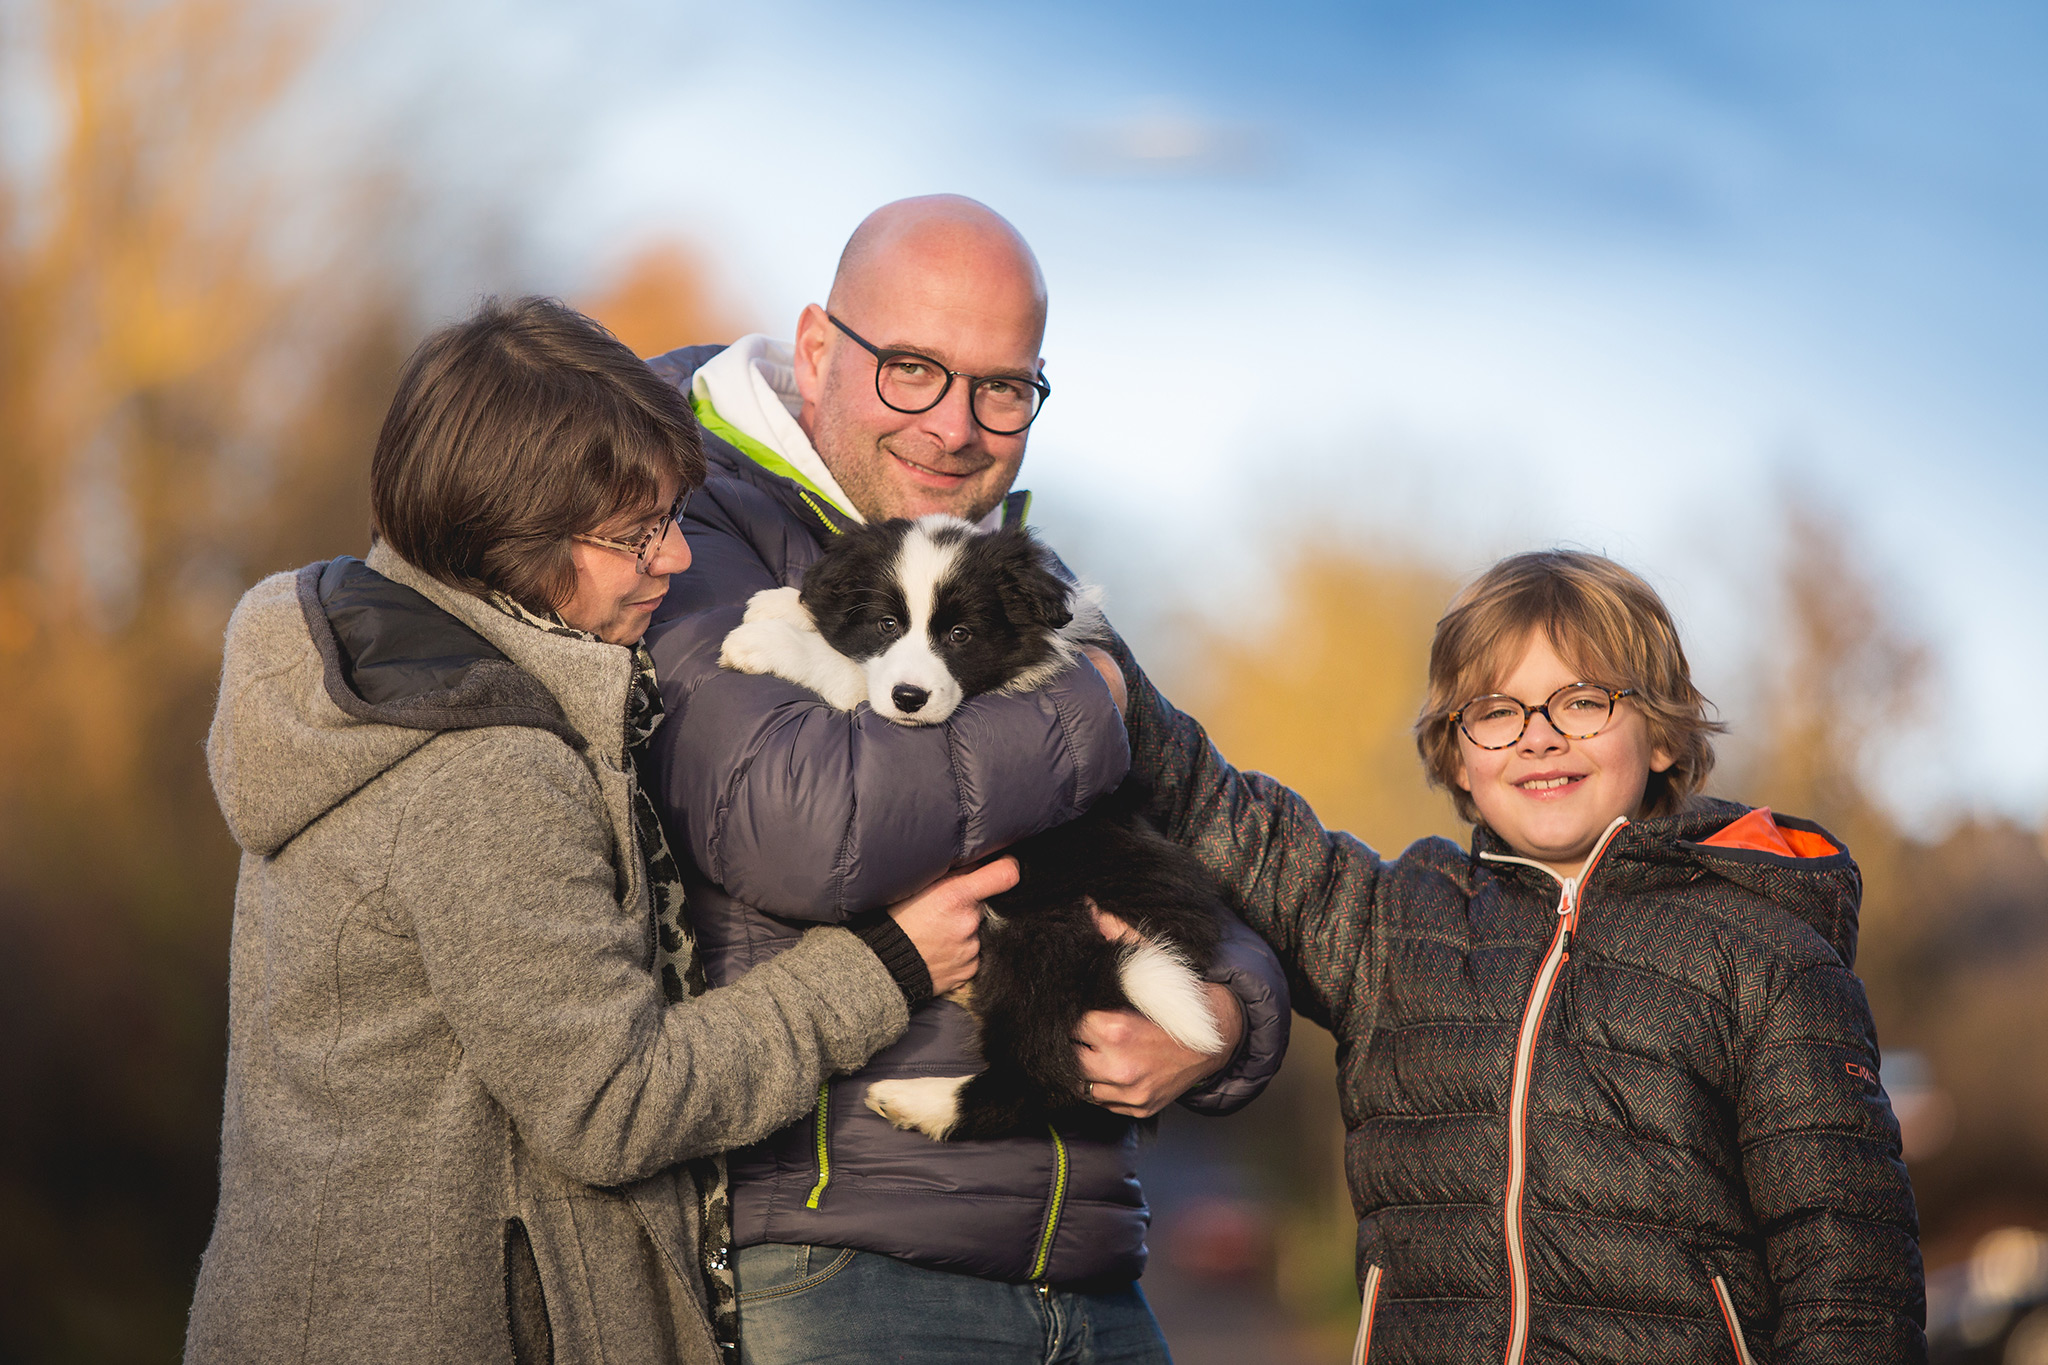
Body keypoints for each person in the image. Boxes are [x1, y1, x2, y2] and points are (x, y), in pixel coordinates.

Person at [184, 296, 1015, 1365]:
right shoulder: (481, 765)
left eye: (672, 518)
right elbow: (616, 1104)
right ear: (509, 537)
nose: (674, 562)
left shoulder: (385, 686)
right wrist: (886, 963)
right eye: (637, 535)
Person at [640, 197, 1291, 1362]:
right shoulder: (682, 526)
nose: (954, 428)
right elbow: (799, 824)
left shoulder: (1018, 584)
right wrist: (1083, 706)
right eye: (911, 370)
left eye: (1001, 387)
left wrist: (1229, 1020)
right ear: (816, 349)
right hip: (840, 1272)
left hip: (1088, 1275)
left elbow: (1197, 844)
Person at [1130, 550, 1928, 1363]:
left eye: (1583, 701)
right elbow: (1223, 814)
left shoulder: (1765, 953)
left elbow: (1850, 1273)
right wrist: (1104, 678)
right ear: (1457, 755)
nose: (1539, 738)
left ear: (1659, 735)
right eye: (1497, 709)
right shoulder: (1392, 927)